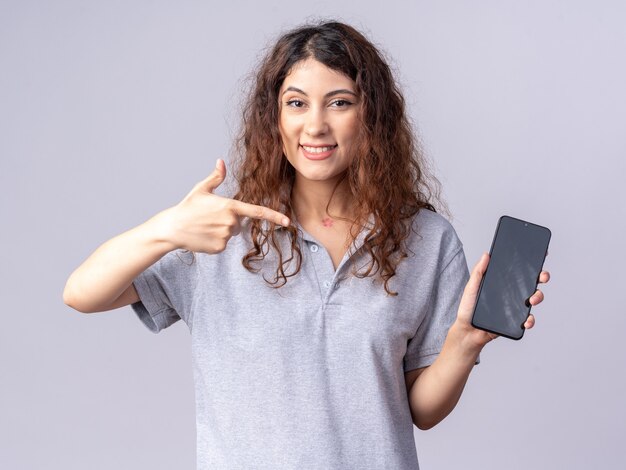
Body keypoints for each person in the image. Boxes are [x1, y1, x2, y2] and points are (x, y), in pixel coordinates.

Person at [64, 21, 549, 470]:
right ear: (274, 117)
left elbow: (420, 410)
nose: (315, 125)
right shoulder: (221, 232)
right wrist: (167, 228)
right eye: (296, 103)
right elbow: (83, 293)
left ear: (372, 115)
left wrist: (463, 344)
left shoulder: (427, 239)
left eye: (340, 102)